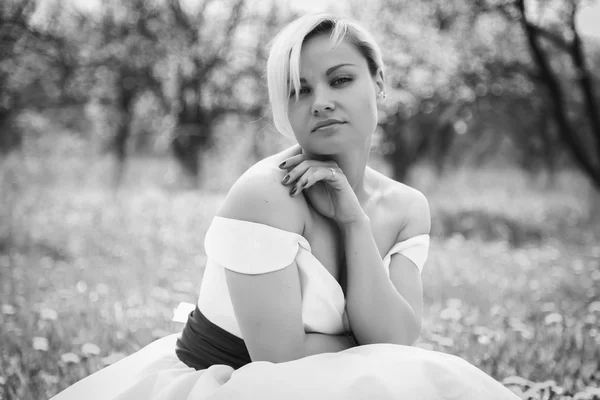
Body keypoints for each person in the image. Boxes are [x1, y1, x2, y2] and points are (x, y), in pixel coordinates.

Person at [51, 13, 520, 400]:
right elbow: (280, 361)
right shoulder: (266, 195)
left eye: (340, 80)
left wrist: (354, 222)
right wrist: (361, 341)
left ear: (378, 83)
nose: (322, 102)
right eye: (300, 90)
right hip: (233, 383)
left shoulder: (405, 207)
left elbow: (397, 337)